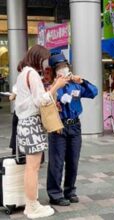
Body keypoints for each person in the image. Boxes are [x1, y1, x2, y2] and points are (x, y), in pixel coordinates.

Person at [15, 45, 68, 219]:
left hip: (24, 124)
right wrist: (56, 86)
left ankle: (31, 204)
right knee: (33, 168)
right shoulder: (32, 74)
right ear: (37, 58)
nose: (44, 64)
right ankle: (32, 207)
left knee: (30, 167)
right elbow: (41, 101)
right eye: (43, 59)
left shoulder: (23, 73)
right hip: (32, 124)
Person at [47, 53, 98, 206]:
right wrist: (57, 89)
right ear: (54, 70)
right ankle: (55, 194)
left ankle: (70, 191)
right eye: (59, 67)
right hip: (58, 127)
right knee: (57, 162)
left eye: (65, 66)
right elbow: (47, 101)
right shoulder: (51, 86)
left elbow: (93, 92)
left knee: (73, 160)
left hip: (74, 125)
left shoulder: (75, 84)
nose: (63, 69)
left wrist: (81, 81)